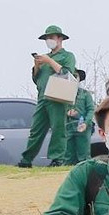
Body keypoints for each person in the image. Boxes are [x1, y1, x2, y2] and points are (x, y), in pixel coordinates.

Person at [21, 25, 77, 168]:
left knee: (58, 129)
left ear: (60, 39)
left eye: (51, 37)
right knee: (36, 130)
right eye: (47, 38)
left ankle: (57, 159)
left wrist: (49, 61)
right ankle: (26, 160)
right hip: (42, 98)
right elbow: (36, 79)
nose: (49, 40)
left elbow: (66, 73)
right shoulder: (45, 58)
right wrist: (37, 65)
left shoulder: (67, 56)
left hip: (57, 97)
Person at [63, 70, 96, 165]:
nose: (73, 79)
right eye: (71, 76)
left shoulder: (85, 94)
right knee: (68, 156)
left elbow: (90, 110)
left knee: (83, 156)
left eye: (75, 76)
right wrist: (67, 113)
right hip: (68, 126)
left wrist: (86, 122)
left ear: (79, 79)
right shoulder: (64, 94)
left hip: (83, 126)